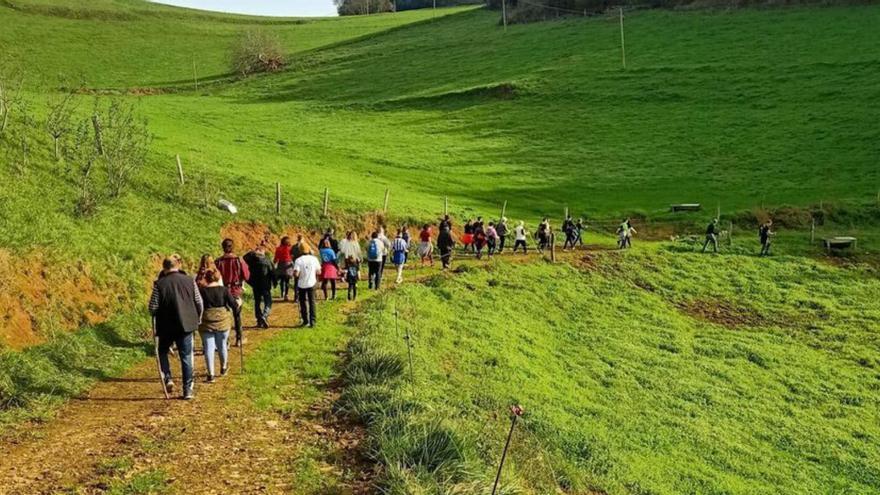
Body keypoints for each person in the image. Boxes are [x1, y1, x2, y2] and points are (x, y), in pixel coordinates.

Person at [149, 256, 203, 400]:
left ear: (164, 267)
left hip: (165, 325)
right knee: (186, 356)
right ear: (177, 265)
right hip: (186, 324)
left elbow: (153, 307)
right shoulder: (190, 280)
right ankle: (187, 390)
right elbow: (199, 301)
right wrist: (198, 317)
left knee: (163, 352)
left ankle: (168, 378)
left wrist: (156, 313)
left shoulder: (159, 284)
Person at [197, 269, 235, 383]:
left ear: (206, 278)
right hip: (222, 321)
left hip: (206, 321)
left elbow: (198, 305)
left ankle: (210, 374)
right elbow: (233, 304)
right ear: (218, 278)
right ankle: (223, 367)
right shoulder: (224, 290)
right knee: (222, 345)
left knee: (209, 348)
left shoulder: (202, 291)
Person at [215, 239, 249, 347]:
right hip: (235, 290)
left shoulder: (218, 262)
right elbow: (247, 275)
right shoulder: (239, 260)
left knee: (225, 316)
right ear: (232, 247)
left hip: (223, 291)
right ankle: (239, 338)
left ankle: (226, 340)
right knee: (237, 315)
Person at [243, 243, 275, 328]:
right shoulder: (267, 261)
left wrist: (253, 252)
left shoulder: (252, 260)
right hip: (266, 285)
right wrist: (274, 282)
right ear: (263, 252)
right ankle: (264, 315)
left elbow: (244, 257)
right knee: (268, 302)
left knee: (257, 302)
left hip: (255, 284)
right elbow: (273, 272)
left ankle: (259, 320)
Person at [293, 244, 321, 328]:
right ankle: (313, 322)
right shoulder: (314, 259)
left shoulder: (298, 260)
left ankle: (305, 321)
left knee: (302, 302)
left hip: (301, 284)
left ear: (300, 251)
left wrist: (295, 274)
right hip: (312, 283)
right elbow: (319, 272)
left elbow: (296, 274)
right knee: (312, 302)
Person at [274, 236, 294, 301]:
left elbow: (276, 258)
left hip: (280, 264)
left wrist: (274, 263)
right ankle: (286, 294)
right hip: (288, 264)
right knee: (287, 280)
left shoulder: (278, 248)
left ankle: (282, 293)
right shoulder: (290, 248)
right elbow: (292, 256)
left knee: (282, 279)